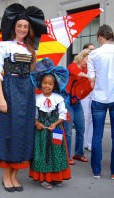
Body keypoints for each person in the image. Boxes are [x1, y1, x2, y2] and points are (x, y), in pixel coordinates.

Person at [0, 3, 47, 192]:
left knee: (23, 132)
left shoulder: (32, 50)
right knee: (9, 131)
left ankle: (15, 174)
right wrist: (1, 98)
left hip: (27, 91)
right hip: (10, 89)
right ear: (13, 27)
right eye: (19, 26)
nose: (22, 29)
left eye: (26, 26)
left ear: (29, 29)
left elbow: (32, 74)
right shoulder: (3, 46)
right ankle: (6, 175)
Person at [87, 24, 114, 180]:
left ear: (99, 37)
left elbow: (91, 80)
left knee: (97, 135)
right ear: (112, 36)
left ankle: (96, 170)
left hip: (98, 97)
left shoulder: (94, 54)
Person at [29, 58, 71, 190]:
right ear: (41, 84)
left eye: (50, 84)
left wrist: (55, 123)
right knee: (43, 153)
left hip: (56, 129)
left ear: (54, 86)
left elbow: (62, 114)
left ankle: (56, 177)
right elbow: (33, 115)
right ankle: (44, 178)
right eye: (45, 83)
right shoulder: (36, 99)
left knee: (56, 152)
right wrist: (36, 123)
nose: (47, 86)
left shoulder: (58, 98)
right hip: (41, 131)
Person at [64, 49, 92, 165]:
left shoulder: (87, 70)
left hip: (76, 102)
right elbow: (76, 72)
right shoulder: (72, 66)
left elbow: (88, 87)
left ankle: (78, 153)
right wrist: (89, 76)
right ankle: (66, 156)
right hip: (67, 101)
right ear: (81, 57)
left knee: (81, 128)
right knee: (68, 131)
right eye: (87, 58)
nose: (88, 62)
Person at [81, 43, 95, 152]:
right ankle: (82, 142)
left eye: (93, 50)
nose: (92, 52)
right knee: (85, 117)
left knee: (91, 118)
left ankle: (88, 142)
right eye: (90, 50)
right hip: (84, 93)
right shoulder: (82, 63)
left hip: (93, 92)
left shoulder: (95, 62)